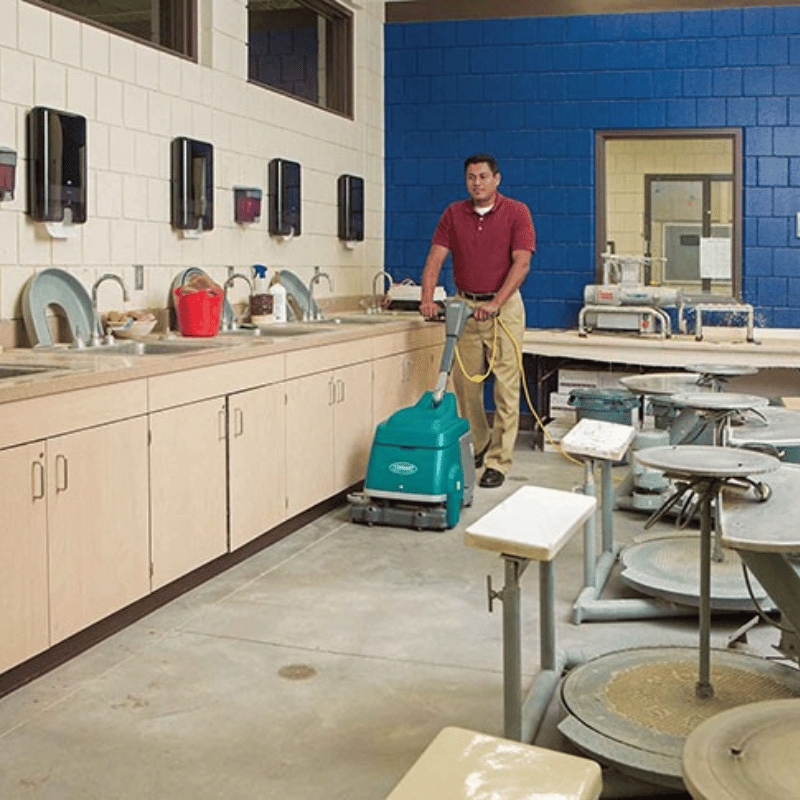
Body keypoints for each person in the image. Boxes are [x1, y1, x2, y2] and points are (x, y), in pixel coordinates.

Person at [419, 154, 535, 488]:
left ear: (496, 179)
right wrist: (427, 298)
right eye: (471, 177)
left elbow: (522, 263)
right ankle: (480, 445)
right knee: (467, 386)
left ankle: (499, 461)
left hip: (504, 307)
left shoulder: (517, 212)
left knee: (505, 387)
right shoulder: (453, 214)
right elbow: (435, 259)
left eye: (483, 177)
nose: (477, 183)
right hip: (464, 306)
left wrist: (497, 302)